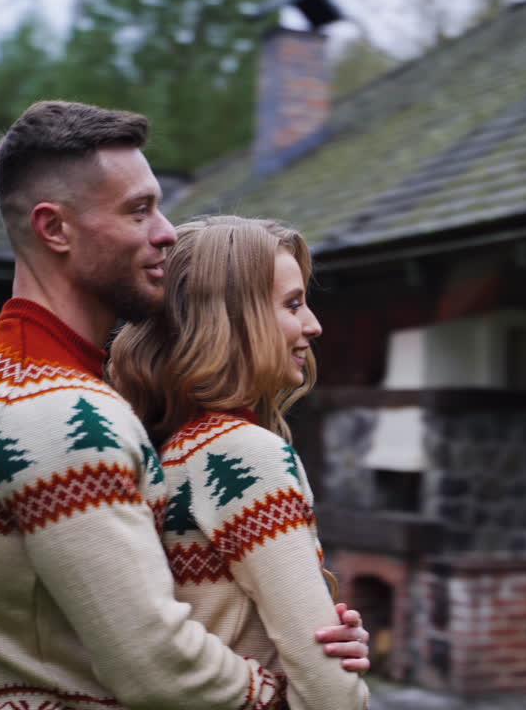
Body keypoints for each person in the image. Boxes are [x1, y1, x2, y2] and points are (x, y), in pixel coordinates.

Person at [0, 101, 365, 710]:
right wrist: (291, 690)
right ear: (55, 229)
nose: (165, 231)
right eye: (138, 211)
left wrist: (298, 632)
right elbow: (156, 665)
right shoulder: (59, 415)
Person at [108, 215, 369, 710]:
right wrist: (336, 678)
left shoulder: (167, 452)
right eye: (292, 304)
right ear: (230, 321)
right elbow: (326, 683)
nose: (313, 325)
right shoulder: (244, 455)